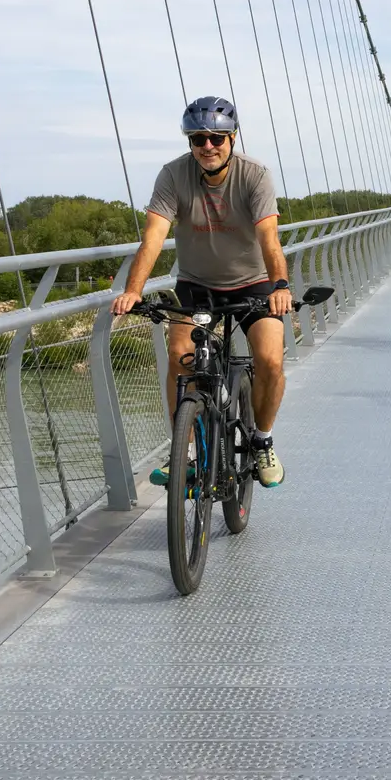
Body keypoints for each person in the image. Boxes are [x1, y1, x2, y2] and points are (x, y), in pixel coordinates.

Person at [112, 96, 291, 488]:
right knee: (180, 357)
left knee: (270, 360)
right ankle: (190, 453)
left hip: (254, 283)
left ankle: (262, 440)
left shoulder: (254, 175)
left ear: (231, 138)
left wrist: (280, 285)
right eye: (198, 139)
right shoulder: (173, 175)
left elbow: (269, 238)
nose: (207, 146)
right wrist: (132, 290)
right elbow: (154, 237)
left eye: (216, 138)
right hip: (197, 285)